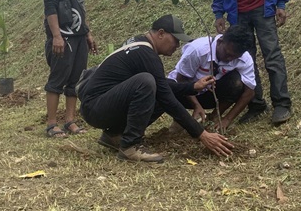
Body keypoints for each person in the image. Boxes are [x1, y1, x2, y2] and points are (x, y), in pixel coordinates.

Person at [80, 15, 236, 162]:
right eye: (175, 40)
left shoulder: (140, 44)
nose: (177, 46)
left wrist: (193, 86)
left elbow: (163, 85)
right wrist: (202, 134)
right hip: (96, 107)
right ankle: (130, 146)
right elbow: (166, 98)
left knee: (156, 86)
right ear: (161, 33)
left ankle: (115, 135)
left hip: (98, 104)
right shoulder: (146, 54)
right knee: (146, 83)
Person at [41, 0, 97, 138]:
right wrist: (56, 36)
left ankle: (70, 121)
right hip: (63, 37)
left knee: (76, 78)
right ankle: (51, 124)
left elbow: (80, 8)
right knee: (58, 78)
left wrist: (87, 32)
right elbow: (50, 7)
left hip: (79, 36)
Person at [168, 24, 256, 132]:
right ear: (220, 42)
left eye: (234, 57)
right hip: (184, 93)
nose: (229, 59)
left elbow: (249, 92)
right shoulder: (197, 50)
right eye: (227, 54)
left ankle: (214, 116)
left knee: (237, 82)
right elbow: (181, 79)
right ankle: (181, 119)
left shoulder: (245, 59)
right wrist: (196, 105)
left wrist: (227, 119)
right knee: (172, 89)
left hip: (210, 95)